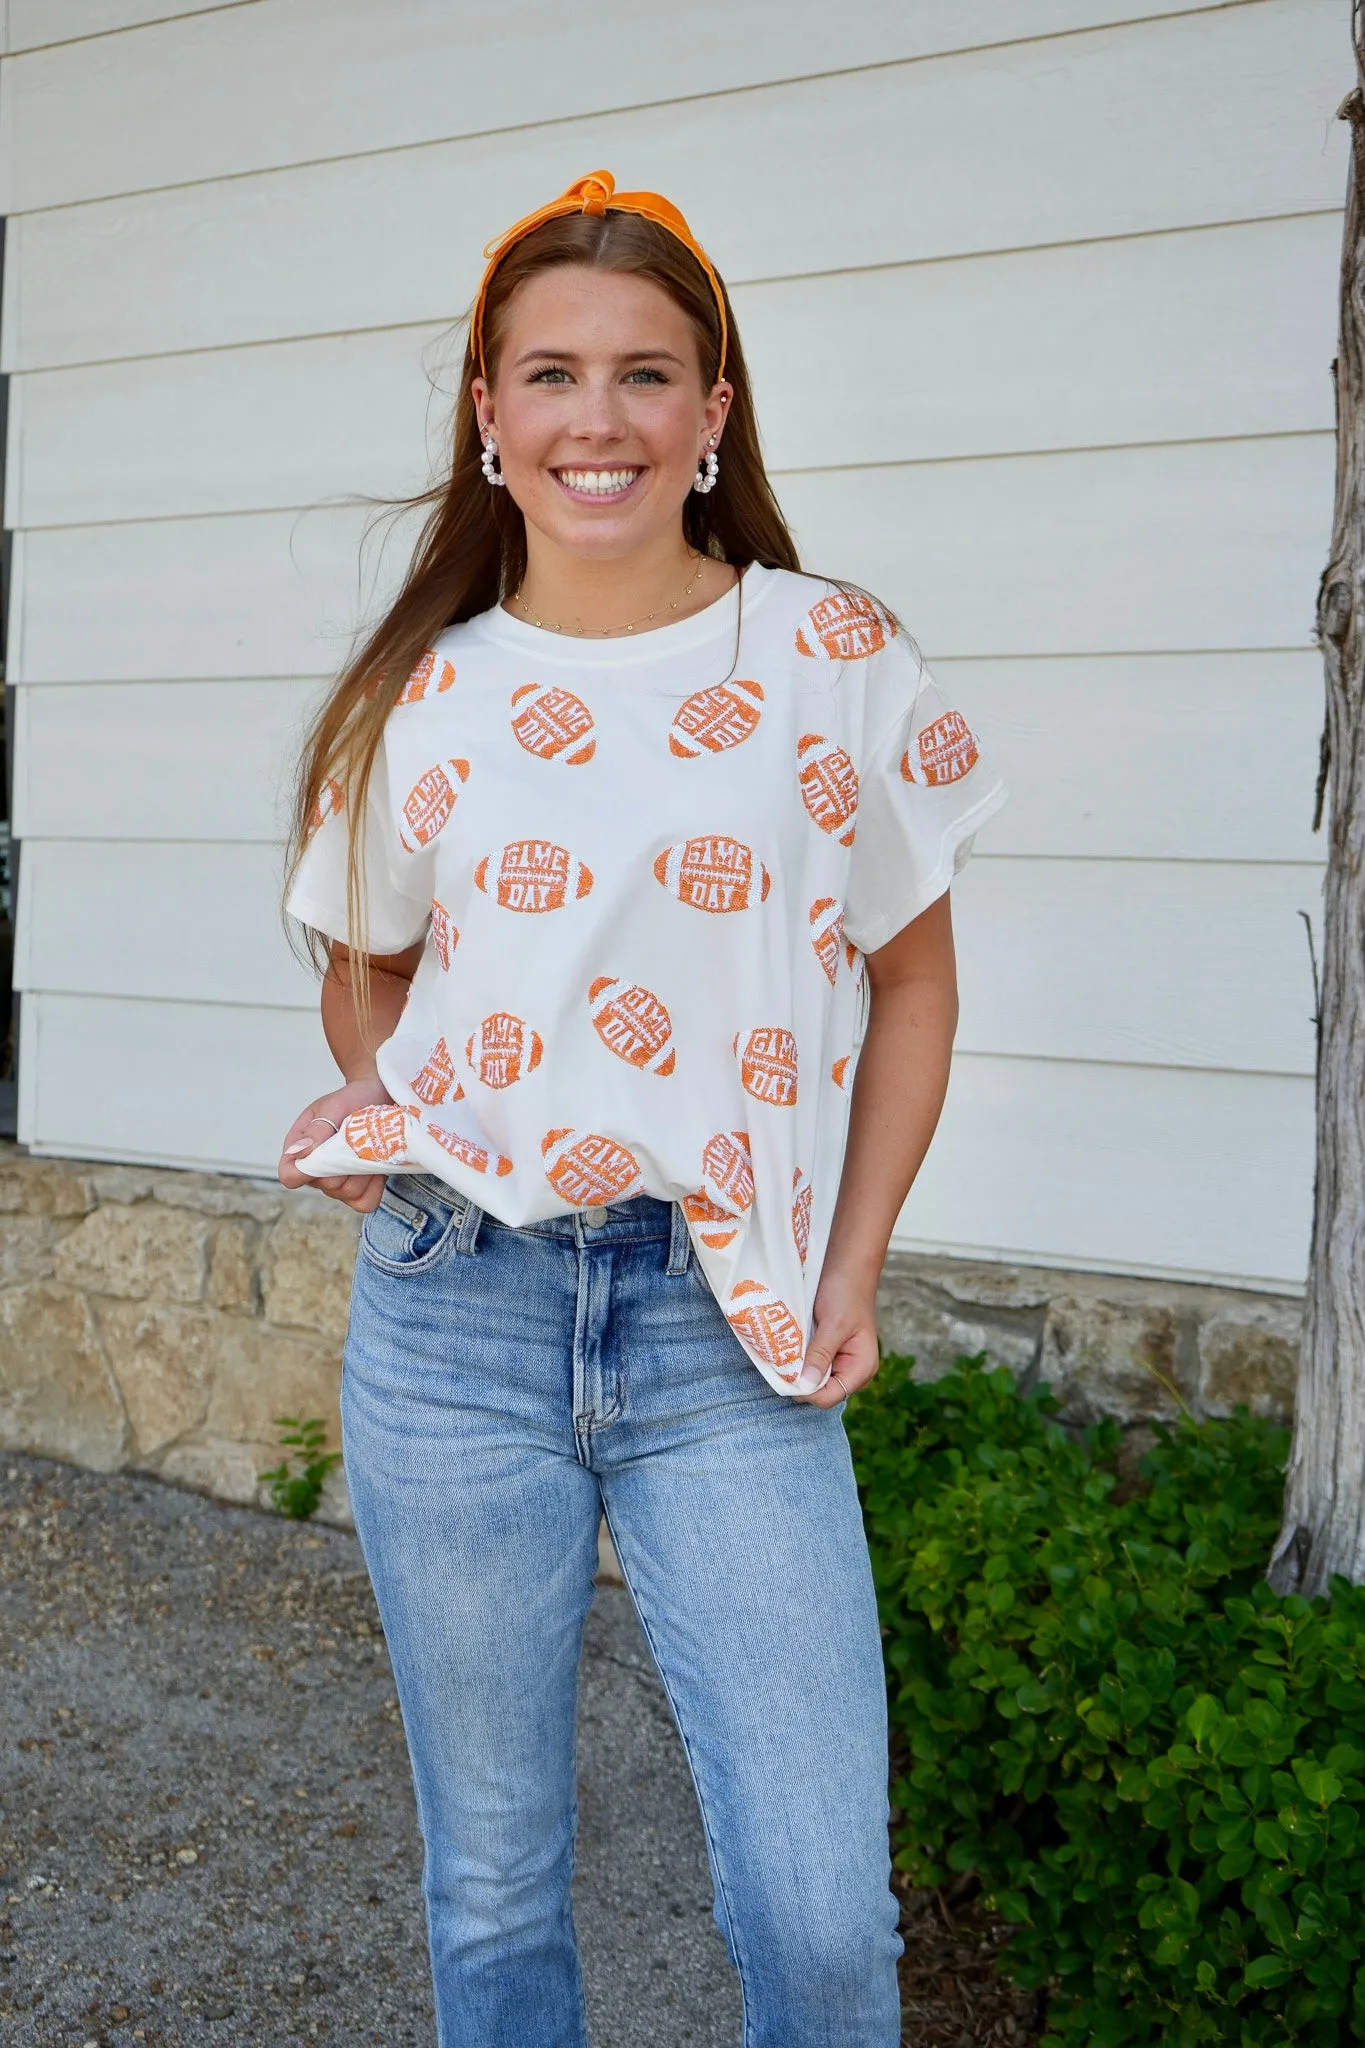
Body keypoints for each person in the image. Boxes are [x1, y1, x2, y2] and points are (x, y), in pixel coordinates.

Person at [277, 169, 1006, 2048]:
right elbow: (369, 972)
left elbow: (912, 976)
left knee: (825, 1915)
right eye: (549, 375)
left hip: (725, 1323)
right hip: (456, 1318)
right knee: (497, 1885)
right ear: (490, 415)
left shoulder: (827, 657)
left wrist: (853, 1263)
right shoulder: (418, 700)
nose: (594, 417)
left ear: (712, 414)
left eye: (642, 374)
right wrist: (404, 1106)